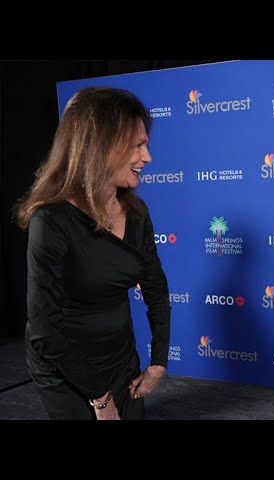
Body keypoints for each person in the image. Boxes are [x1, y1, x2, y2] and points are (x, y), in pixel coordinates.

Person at [15, 86, 171, 420]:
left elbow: (155, 286)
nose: (148, 158)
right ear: (101, 145)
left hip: (119, 357)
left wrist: (158, 361)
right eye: (138, 145)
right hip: (65, 368)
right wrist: (101, 399)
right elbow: (44, 329)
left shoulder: (138, 213)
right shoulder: (51, 220)